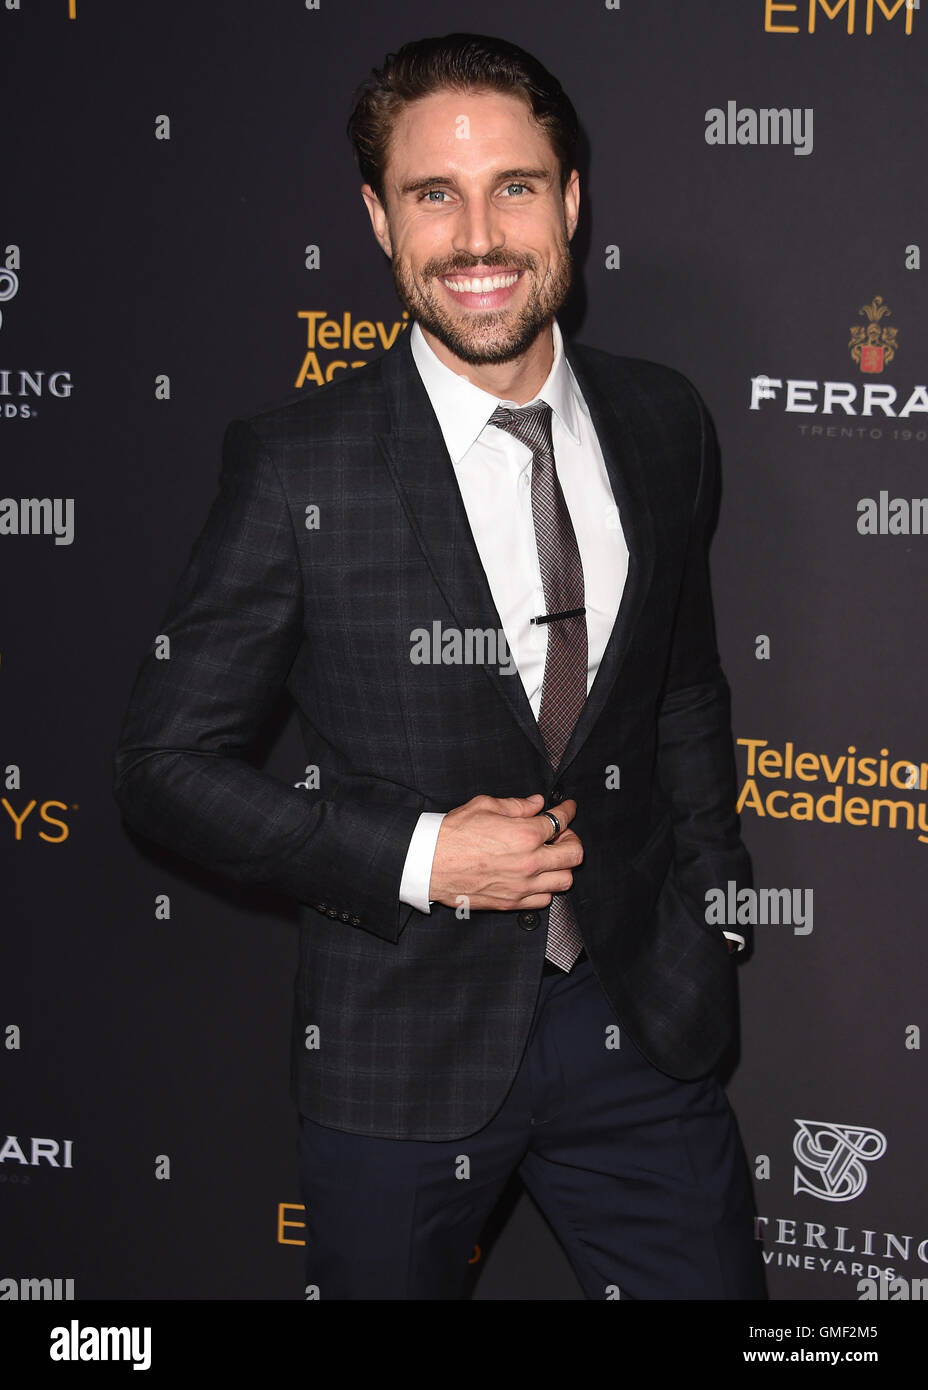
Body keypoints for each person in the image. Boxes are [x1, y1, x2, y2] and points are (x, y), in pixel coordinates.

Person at [113, 32, 766, 1301]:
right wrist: (419, 854)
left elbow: (681, 681)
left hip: (641, 1017)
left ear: (571, 198)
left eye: (514, 186)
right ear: (377, 218)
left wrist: (714, 907)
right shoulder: (302, 465)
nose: (478, 236)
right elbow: (160, 764)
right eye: (433, 195)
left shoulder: (661, 418)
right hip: (401, 1052)